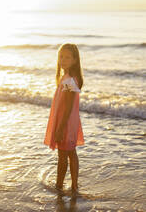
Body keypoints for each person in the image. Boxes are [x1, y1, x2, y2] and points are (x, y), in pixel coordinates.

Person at [44, 43, 84, 192]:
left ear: (74, 60)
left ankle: (59, 185)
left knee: (63, 156)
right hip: (71, 122)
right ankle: (74, 185)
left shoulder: (69, 81)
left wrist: (60, 128)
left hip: (65, 123)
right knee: (71, 153)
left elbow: (67, 107)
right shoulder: (69, 78)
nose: (63, 60)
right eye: (61, 56)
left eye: (67, 57)